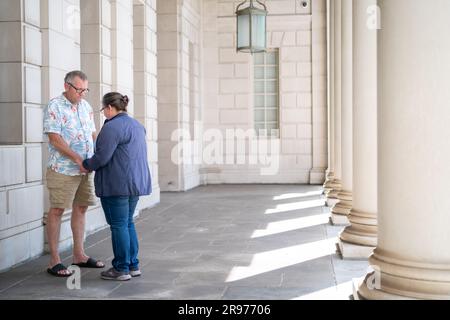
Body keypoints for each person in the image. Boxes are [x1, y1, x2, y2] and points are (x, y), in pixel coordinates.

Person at [82, 92, 152, 281]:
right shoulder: (137, 125)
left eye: (103, 109)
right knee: (127, 223)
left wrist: (86, 164)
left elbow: (102, 157)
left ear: (110, 108)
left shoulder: (112, 127)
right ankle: (133, 265)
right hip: (135, 183)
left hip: (117, 184)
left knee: (119, 225)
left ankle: (121, 268)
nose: (103, 113)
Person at [43, 70, 105, 277]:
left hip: (85, 169)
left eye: (85, 90)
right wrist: (77, 159)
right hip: (63, 169)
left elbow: (93, 134)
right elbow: (54, 138)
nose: (83, 94)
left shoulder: (86, 106)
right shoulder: (54, 105)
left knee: (81, 209)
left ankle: (79, 255)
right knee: (57, 210)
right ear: (67, 86)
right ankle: (54, 261)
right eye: (79, 89)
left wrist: (98, 156)